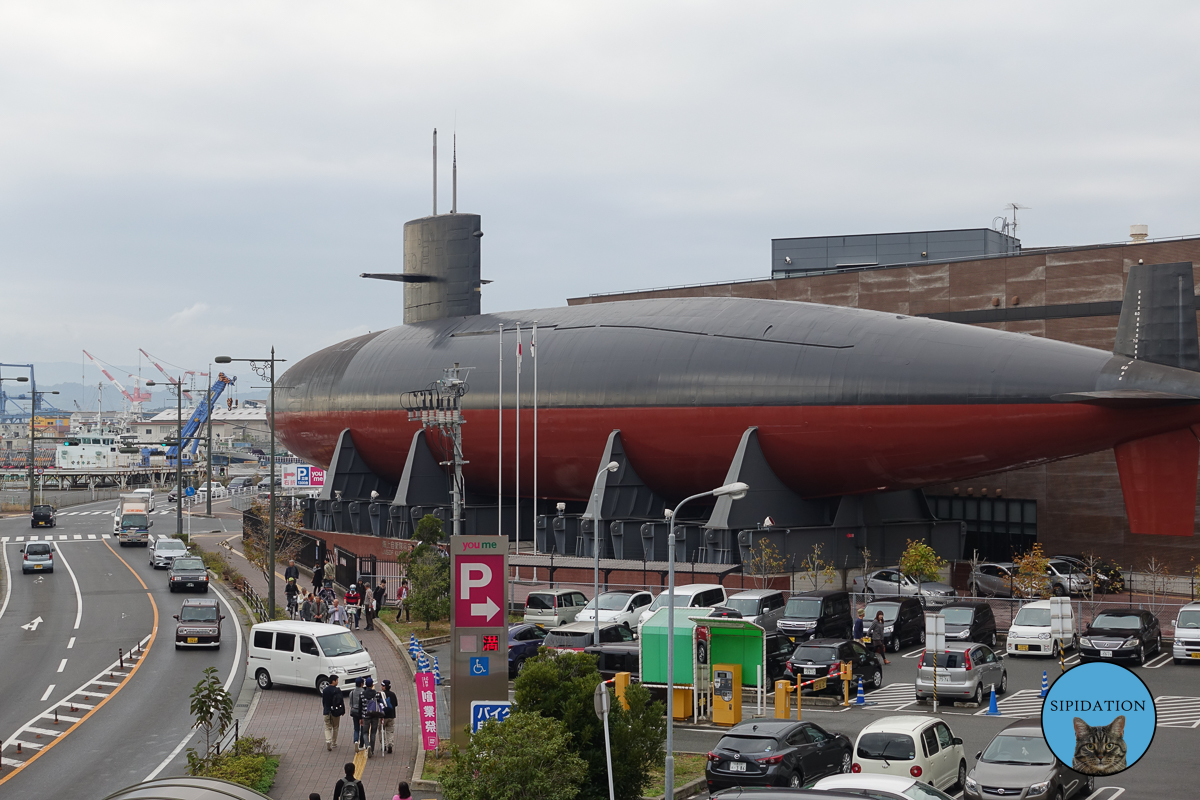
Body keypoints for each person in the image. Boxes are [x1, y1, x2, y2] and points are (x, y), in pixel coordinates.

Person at [358, 676, 383, 757]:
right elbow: (380, 705)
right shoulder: (376, 694)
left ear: (365, 684)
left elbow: (360, 707)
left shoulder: (362, 694)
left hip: (365, 716)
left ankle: (367, 745)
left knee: (365, 732)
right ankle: (371, 750)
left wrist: (360, 718)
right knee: (373, 733)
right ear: (372, 684)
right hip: (375, 715)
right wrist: (381, 715)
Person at [321, 674, 345, 751]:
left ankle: (328, 740)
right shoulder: (337, 690)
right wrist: (342, 711)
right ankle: (334, 742)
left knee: (327, 727)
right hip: (335, 711)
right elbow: (341, 701)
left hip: (327, 711)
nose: (337, 682)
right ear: (333, 681)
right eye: (337, 680)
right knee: (335, 727)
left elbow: (324, 702)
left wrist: (325, 709)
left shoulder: (325, 690)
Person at [380, 678, 398, 754]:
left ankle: (383, 745)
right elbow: (396, 704)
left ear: (384, 687)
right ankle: (390, 744)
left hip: (382, 716)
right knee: (390, 731)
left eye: (382, 685)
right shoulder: (393, 694)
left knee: (381, 731)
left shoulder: (380, 694)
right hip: (391, 715)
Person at [348, 677, 364, 748]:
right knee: (363, 728)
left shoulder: (352, 692)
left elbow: (350, 703)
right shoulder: (363, 692)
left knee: (356, 728)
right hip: (362, 712)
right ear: (361, 684)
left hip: (354, 711)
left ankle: (356, 741)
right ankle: (361, 745)